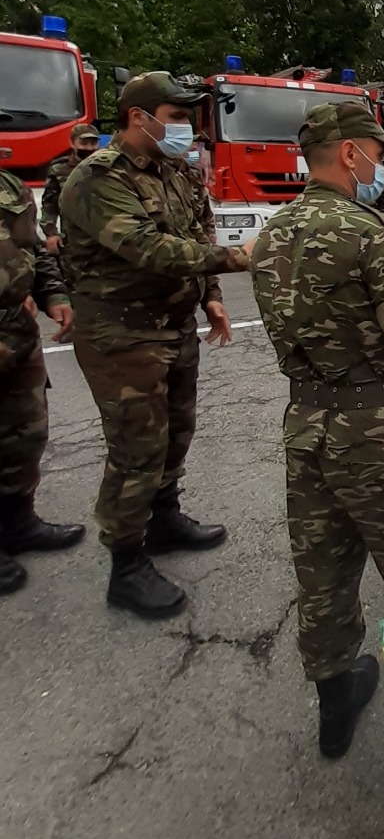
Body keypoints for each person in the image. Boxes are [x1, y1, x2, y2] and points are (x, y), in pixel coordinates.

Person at [251, 102, 384, 760]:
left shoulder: (272, 234)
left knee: (324, 574)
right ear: (349, 154)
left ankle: (335, 707)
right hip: (378, 432)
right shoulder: (369, 234)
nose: (383, 162)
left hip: (307, 427)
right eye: (378, 151)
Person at [60, 72, 250, 619]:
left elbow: (198, 233)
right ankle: (126, 564)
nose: (188, 128)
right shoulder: (97, 178)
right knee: (136, 448)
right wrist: (240, 259)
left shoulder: (177, 172)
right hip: (122, 334)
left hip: (174, 325)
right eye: (177, 117)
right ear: (138, 118)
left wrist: (212, 296)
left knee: (175, 435)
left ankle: (163, 520)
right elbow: (148, 248)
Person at [0, 151, 83, 595]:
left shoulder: (8, 186)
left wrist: (54, 295)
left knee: (25, 432)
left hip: (17, 330)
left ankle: (18, 523)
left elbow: (31, 247)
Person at [40, 123, 100, 253]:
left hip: (104, 240)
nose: (89, 148)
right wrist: (51, 234)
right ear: (72, 144)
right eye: (84, 143)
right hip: (73, 241)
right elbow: (50, 204)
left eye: (93, 143)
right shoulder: (59, 169)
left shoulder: (108, 168)